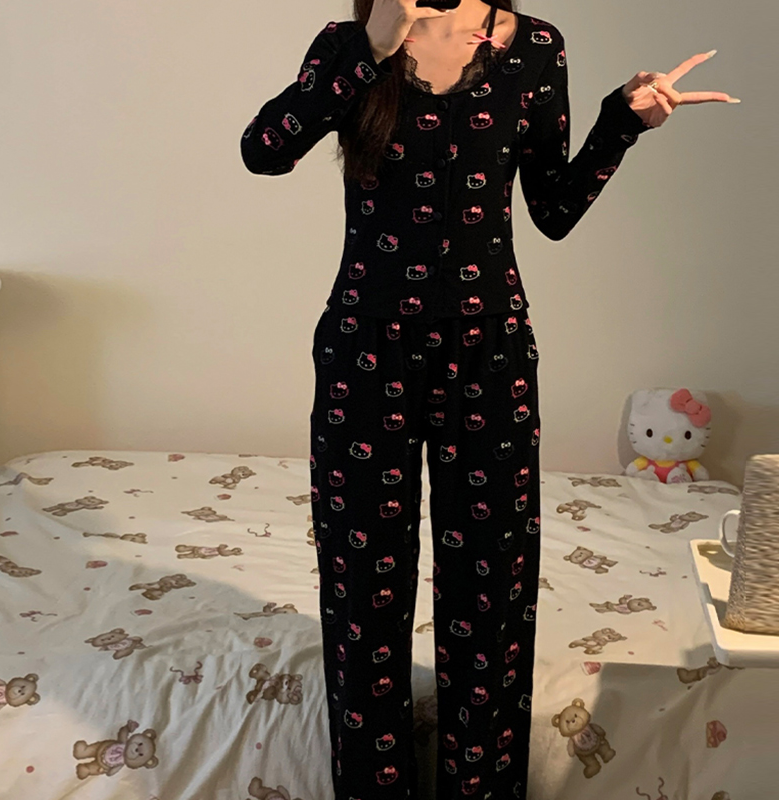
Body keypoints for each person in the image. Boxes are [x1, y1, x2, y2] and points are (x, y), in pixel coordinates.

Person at [240, 2, 738, 797]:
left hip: (489, 351)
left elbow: (554, 209)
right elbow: (263, 151)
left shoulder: (534, 46)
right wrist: (370, 48)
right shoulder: (349, 44)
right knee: (362, 586)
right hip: (364, 349)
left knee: (492, 589)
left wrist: (622, 123)